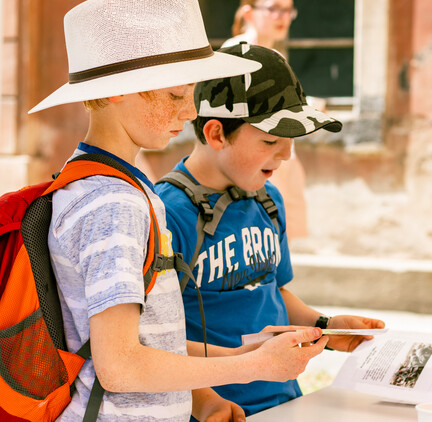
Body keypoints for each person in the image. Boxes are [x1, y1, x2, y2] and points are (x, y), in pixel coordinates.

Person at [29, 1, 328, 421]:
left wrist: (236, 357)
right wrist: (251, 365)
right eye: (175, 94)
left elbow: (145, 341)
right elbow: (120, 366)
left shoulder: (112, 186)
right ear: (116, 89)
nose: (189, 111)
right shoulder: (114, 203)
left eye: (192, 93)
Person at [155, 43, 386, 417]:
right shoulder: (167, 214)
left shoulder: (267, 200)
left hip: (285, 400)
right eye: (270, 141)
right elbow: (153, 341)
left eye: (291, 141)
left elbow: (273, 292)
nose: (286, 155)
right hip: (217, 410)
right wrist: (205, 402)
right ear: (216, 134)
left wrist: (326, 327)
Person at [223, 0, 309, 240]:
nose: (282, 17)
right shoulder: (237, 51)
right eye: (274, 8)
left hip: (279, 157)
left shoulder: (275, 55)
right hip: (251, 159)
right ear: (249, 13)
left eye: (288, 9)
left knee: (280, 239)